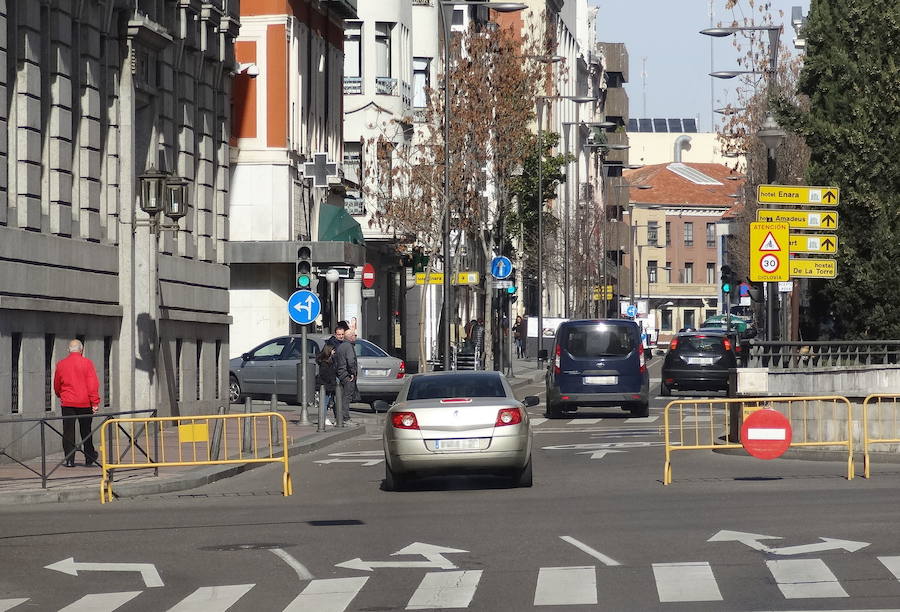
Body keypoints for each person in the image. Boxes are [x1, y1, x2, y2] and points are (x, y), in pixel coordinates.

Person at [53, 339, 101, 467]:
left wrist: (60, 394)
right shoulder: (87, 363)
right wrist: (95, 402)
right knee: (86, 430)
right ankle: (89, 456)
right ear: (82, 350)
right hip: (85, 402)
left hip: (67, 402)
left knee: (68, 430)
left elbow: (57, 384)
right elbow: (92, 384)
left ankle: (69, 459)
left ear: (68, 350)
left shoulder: (61, 364)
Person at [334, 329, 360, 423]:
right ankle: (345, 418)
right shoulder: (348, 346)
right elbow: (350, 360)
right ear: (351, 337)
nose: (356, 337)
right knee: (346, 397)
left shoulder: (341, 346)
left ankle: (340, 417)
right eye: (355, 335)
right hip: (347, 375)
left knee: (342, 397)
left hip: (341, 373)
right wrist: (352, 373)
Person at [315, 344, 338, 426]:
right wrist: (332, 382)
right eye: (333, 350)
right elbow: (326, 375)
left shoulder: (330, 361)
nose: (334, 352)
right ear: (329, 351)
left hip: (329, 385)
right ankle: (323, 419)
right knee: (325, 402)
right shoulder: (325, 363)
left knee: (328, 402)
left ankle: (327, 418)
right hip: (326, 386)